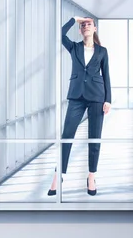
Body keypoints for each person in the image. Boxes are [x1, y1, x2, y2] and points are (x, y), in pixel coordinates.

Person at [48, 16, 111, 197]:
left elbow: (107, 75)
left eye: (88, 24)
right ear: (80, 29)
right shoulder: (74, 47)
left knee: (94, 137)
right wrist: (74, 19)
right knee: (67, 135)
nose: (85, 26)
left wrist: (108, 99)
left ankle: (91, 176)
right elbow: (60, 34)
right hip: (76, 96)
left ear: (95, 29)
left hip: (97, 96)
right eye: (83, 25)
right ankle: (58, 174)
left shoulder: (102, 51)